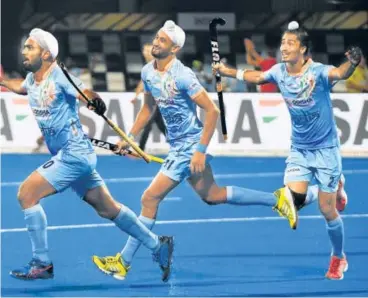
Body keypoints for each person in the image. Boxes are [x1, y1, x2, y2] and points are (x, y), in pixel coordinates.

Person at [92, 20, 298, 281]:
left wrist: (200, 151)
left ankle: (124, 261)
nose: (156, 42)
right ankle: (278, 199)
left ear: (175, 48)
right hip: (177, 145)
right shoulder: (147, 72)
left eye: (162, 41)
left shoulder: (183, 75)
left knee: (149, 199)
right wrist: (131, 138)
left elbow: (212, 111)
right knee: (212, 194)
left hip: (190, 146)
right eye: (156, 38)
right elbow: (148, 108)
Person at [0, 28, 173, 281]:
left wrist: (95, 100)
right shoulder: (32, 79)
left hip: (73, 155)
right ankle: (158, 245)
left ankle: (42, 263)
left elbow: (86, 93)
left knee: (27, 194)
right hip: (75, 154)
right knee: (107, 208)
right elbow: (19, 87)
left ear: (46, 53)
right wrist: (2, 80)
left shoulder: (59, 75)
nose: (24, 51)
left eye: (30, 47)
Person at [212, 21, 361, 280]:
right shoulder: (280, 71)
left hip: (326, 150)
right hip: (300, 149)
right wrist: (226, 71)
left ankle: (338, 257)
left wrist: (353, 63)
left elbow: (341, 73)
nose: (284, 47)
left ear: (303, 49)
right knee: (294, 200)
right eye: (283, 43)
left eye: (290, 43)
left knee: (328, 211)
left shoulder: (318, 71)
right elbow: (256, 77)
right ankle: (336, 185)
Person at [131, 43, 166, 151]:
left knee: (148, 122)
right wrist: (136, 96)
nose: (145, 52)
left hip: (160, 98)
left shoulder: (158, 64)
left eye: (147, 50)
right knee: (160, 124)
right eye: (144, 50)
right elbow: (142, 82)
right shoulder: (147, 66)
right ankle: (177, 144)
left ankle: (140, 149)